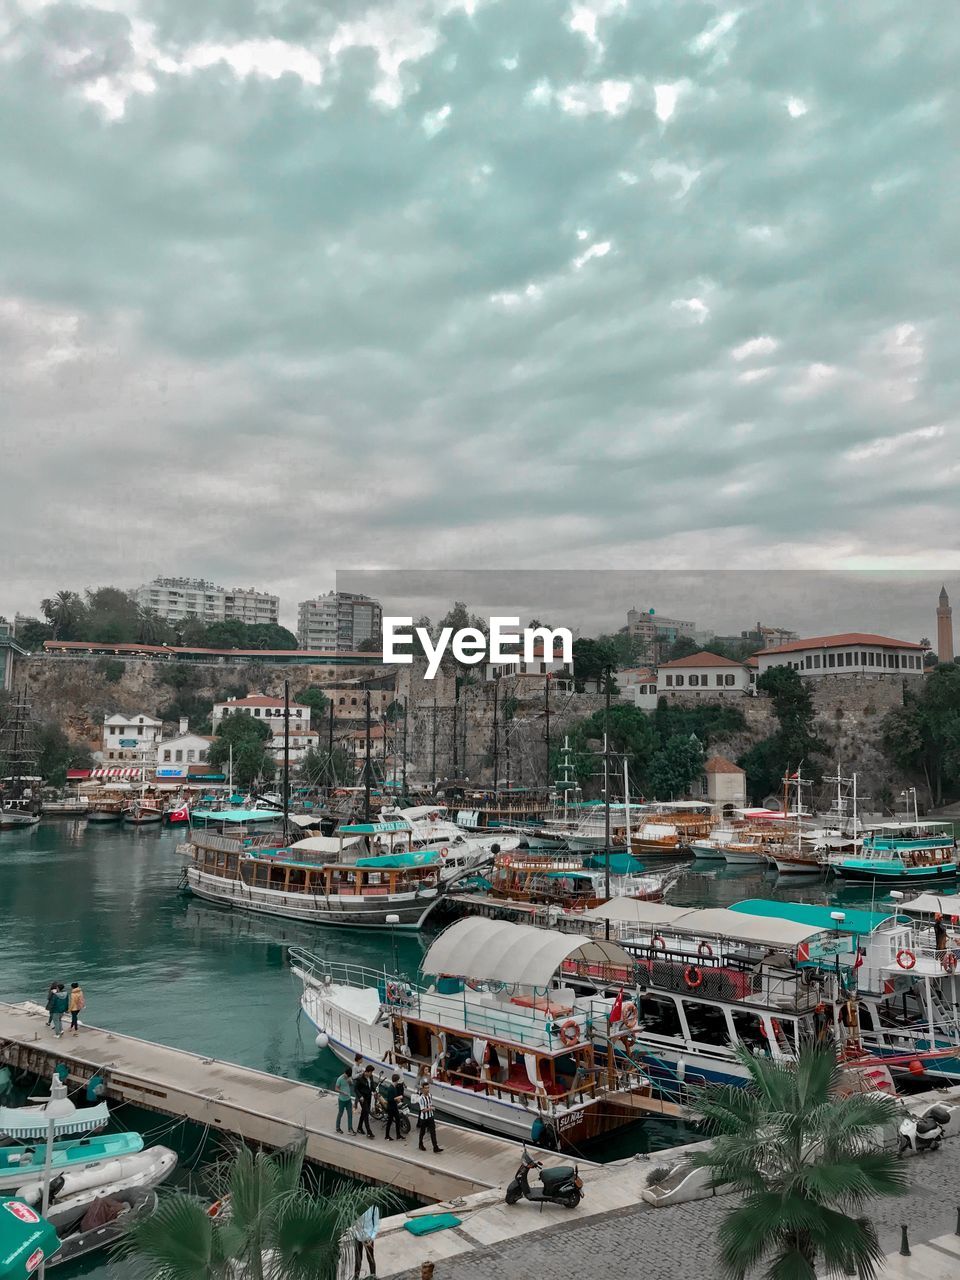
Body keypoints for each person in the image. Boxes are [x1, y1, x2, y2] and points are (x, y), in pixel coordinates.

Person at [350, 1204, 380, 1280]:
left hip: (368, 1237)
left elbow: (376, 1225)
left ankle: (373, 1277)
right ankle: (356, 1278)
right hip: (358, 1236)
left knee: (370, 1258)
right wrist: (355, 1233)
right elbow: (352, 1222)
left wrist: (372, 1237)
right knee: (358, 1259)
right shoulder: (356, 1206)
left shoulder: (374, 1209)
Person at [416, 1080, 443, 1154]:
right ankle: (420, 1144)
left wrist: (431, 1108)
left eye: (428, 1088)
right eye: (426, 1088)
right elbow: (423, 1110)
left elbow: (430, 1104)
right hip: (424, 1118)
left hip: (430, 1116)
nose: (427, 1089)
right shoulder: (421, 1098)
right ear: (422, 1089)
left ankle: (435, 1147)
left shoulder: (430, 1095)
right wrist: (431, 1108)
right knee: (422, 1132)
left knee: (433, 1132)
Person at [354, 1064, 375, 1139]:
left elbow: (372, 1085)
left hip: (369, 1097)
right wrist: (360, 1096)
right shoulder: (360, 1079)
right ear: (367, 1072)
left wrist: (375, 1091)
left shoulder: (370, 1077)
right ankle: (369, 1132)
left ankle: (359, 1128)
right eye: (371, 1072)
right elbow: (355, 1089)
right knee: (366, 1113)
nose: (372, 1074)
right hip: (363, 1098)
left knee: (364, 1112)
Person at [384, 1073, 406, 1142]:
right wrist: (399, 1097)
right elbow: (390, 1099)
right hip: (391, 1108)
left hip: (394, 1107)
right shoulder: (391, 1088)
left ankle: (398, 1135)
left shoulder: (394, 1087)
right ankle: (387, 1136)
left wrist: (397, 1099)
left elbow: (393, 1097)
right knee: (389, 1122)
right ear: (397, 1080)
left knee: (398, 1120)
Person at [335, 1067, 355, 1135]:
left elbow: (351, 1085)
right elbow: (336, 1088)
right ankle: (337, 1128)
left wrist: (351, 1082)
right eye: (347, 1076)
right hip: (342, 1100)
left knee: (350, 1114)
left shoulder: (349, 1078)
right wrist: (343, 1092)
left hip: (348, 1099)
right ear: (345, 1073)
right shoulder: (340, 1079)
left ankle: (350, 1129)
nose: (347, 1077)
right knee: (340, 1114)